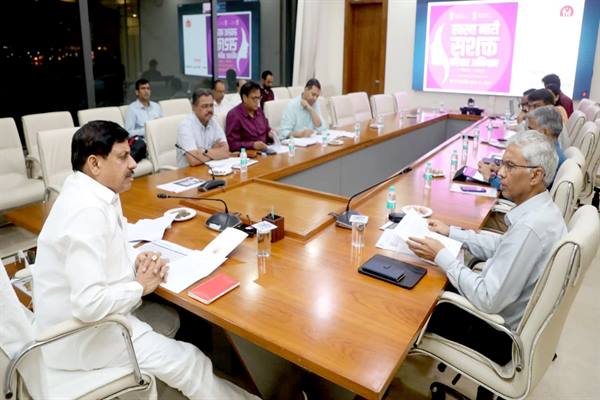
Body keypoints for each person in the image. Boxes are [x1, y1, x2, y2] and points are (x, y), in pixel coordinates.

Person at [32, 121, 259, 400]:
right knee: (190, 361)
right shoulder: (85, 212)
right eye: (122, 157)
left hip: (91, 322)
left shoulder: (94, 191)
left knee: (179, 338)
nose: (133, 164)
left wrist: (137, 259)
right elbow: (88, 304)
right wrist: (140, 286)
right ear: (94, 164)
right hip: (81, 337)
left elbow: (113, 242)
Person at [408, 130, 566, 365]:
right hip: (505, 316)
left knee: (414, 296)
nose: (500, 173)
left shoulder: (530, 228)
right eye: (502, 164)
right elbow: (502, 245)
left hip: (497, 334)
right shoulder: (541, 211)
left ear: (535, 175)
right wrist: (451, 232)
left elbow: (487, 299)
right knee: (433, 276)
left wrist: (441, 255)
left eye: (510, 166)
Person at [480, 103, 565, 190]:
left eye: (530, 129)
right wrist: (505, 169)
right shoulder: (553, 149)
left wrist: (490, 178)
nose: (526, 132)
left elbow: (520, 191)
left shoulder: (549, 156)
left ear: (545, 132)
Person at [177, 88, 230, 168]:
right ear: (193, 107)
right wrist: (215, 152)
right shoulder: (185, 126)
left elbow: (225, 152)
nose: (209, 110)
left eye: (211, 105)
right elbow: (193, 159)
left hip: (210, 168)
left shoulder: (214, 123)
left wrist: (202, 152)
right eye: (205, 106)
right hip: (189, 172)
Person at [225, 81, 276, 152]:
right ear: (244, 98)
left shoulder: (259, 111)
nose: (257, 101)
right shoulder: (234, 115)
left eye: (259, 98)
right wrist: (253, 145)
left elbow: (267, 130)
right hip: (248, 154)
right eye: (254, 98)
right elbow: (232, 144)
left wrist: (271, 134)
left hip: (265, 150)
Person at [124, 79, 163, 162]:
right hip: (144, 142)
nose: (146, 91)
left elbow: (163, 124)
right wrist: (147, 130)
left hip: (158, 139)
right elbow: (128, 133)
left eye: (148, 88)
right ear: (137, 92)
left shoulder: (156, 106)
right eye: (143, 88)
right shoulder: (132, 109)